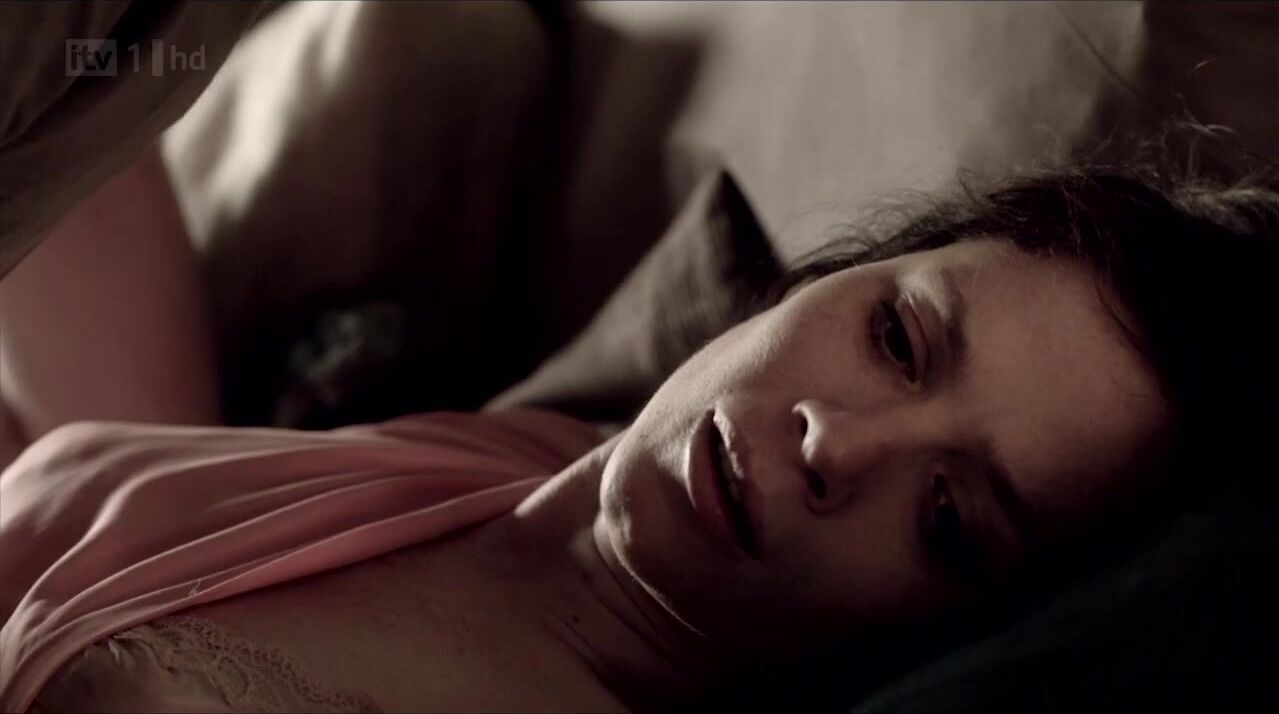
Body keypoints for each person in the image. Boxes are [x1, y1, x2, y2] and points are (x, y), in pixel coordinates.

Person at [2, 140, 1278, 713]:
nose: (838, 445)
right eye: (896, 338)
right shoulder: (527, 465)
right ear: (838, 271)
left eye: (948, 520)